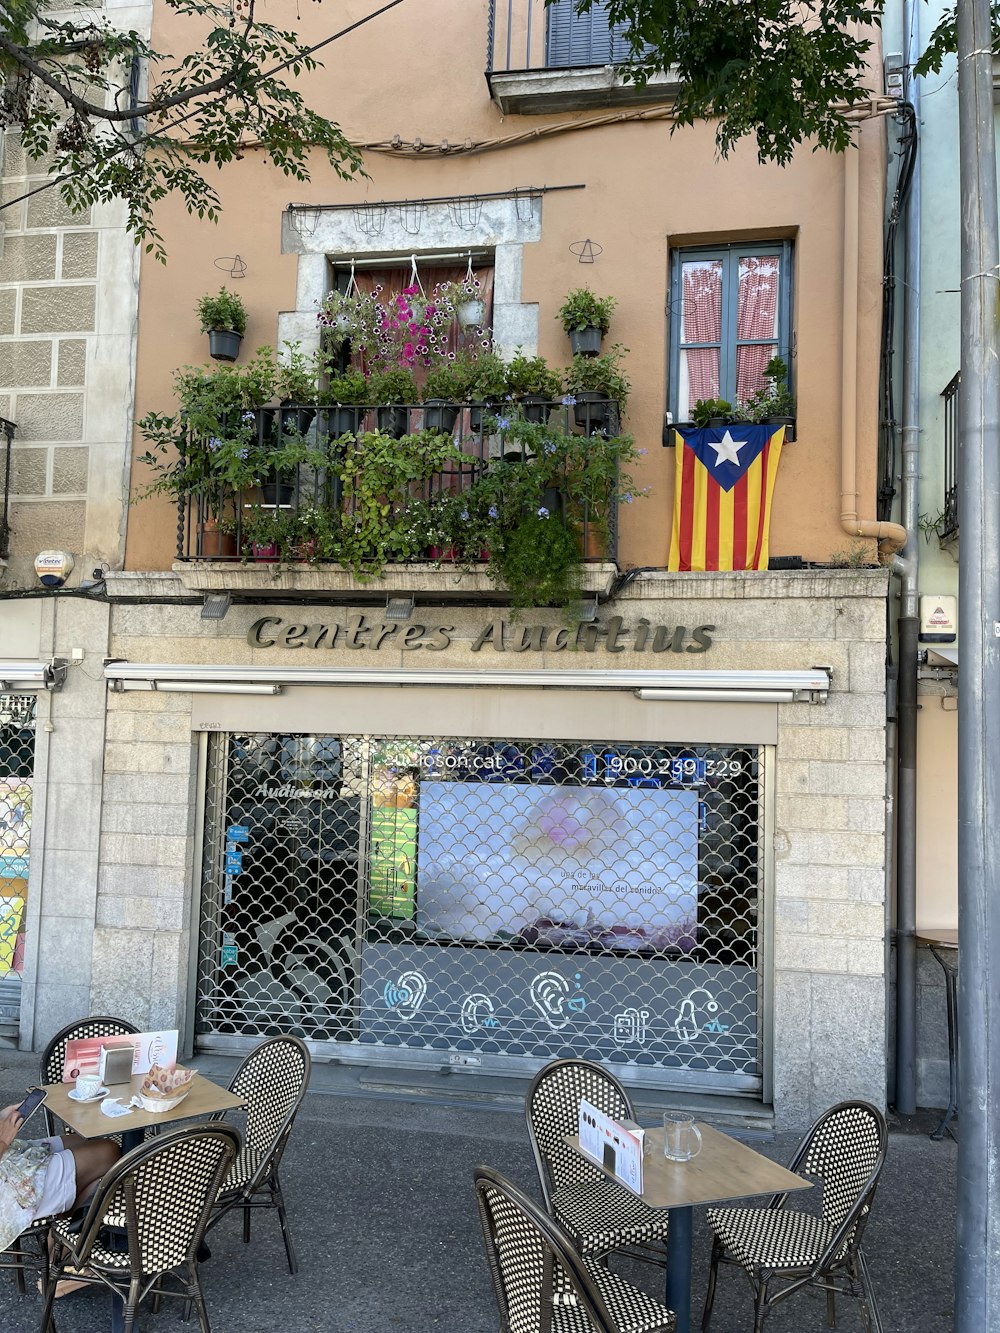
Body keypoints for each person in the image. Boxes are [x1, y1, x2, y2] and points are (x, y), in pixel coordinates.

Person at [0, 1102, 119, 1261]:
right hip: (6, 1189)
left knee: (86, 1140)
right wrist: (3, 1139)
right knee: (108, 1153)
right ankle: (64, 1255)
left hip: (8, 1158)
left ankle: (62, 1248)